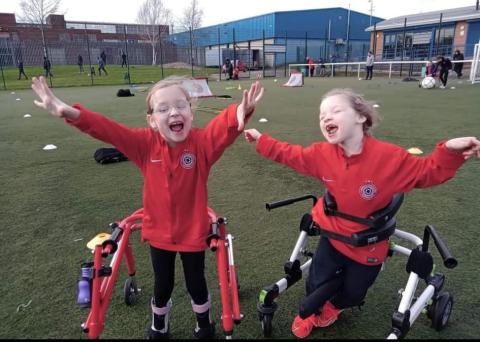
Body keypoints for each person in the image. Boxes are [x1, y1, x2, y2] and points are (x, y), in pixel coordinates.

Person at [30, 75, 264, 339]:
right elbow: (108, 129)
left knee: (196, 284)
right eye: (163, 109)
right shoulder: (145, 144)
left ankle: (204, 323)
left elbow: (221, 129)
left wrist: (240, 112)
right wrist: (68, 111)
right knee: (162, 285)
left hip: (193, 233)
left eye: (180, 105)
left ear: (190, 111)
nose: (174, 112)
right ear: (152, 121)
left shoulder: (201, 145)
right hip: (159, 235)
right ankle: (159, 325)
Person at [244, 88, 480, 339]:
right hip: (333, 236)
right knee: (316, 281)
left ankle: (335, 307)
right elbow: (290, 154)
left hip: (369, 242)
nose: (325, 118)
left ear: (361, 117)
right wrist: (261, 139)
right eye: (321, 115)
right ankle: (313, 311)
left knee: (354, 293)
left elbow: (429, 172)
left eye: (335, 111)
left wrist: (451, 150)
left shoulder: (388, 158)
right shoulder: (321, 154)